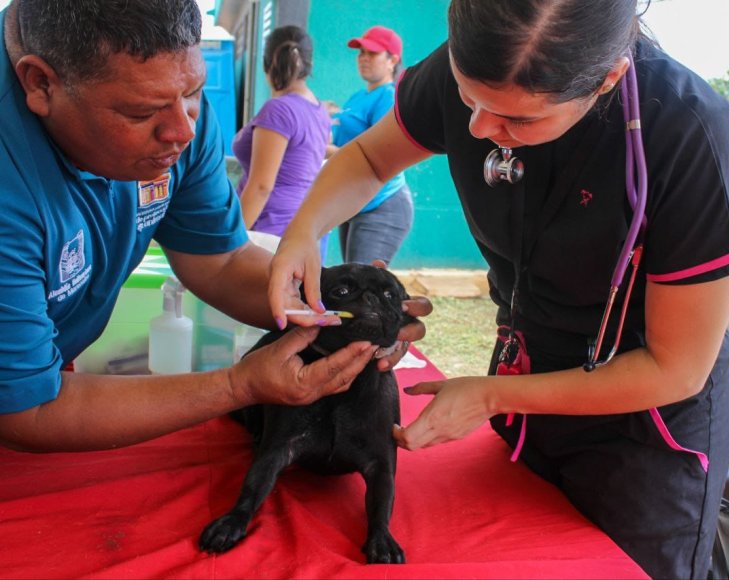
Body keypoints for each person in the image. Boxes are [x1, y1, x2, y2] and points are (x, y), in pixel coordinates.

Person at [268, 1, 729, 577]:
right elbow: (367, 156)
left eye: (518, 121)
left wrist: (492, 395)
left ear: (609, 77)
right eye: (469, 98)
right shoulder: (482, 61)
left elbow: (675, 367)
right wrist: (303, 233)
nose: (479, 130)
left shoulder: (691, 139)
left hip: (643, 426)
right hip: (528, 381)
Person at [0, 0, 428, 454]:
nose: (183, 132)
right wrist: (238, 386)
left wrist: (342, 311)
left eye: (193, 94)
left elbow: (221, 260)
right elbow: (29, 410)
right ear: (41, 84)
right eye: (140, 114)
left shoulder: (169, 103)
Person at [232, 25, 332, 261]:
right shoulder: (318, 110)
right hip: (301, 228)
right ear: (309, 64)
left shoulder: (279, 110)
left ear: (267, 63)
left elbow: (261, 186)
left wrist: (231, 242)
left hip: (269, 231)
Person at [326, 25, 414, 266]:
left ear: (392, 60)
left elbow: (380, 154)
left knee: (362, 289)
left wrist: (322, 150)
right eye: (361, 52)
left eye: (372, 53)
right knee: (352, 286)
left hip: (382, 205)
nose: (363, 58)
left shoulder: (388, 96)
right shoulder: (358, 97)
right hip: (355, 202)